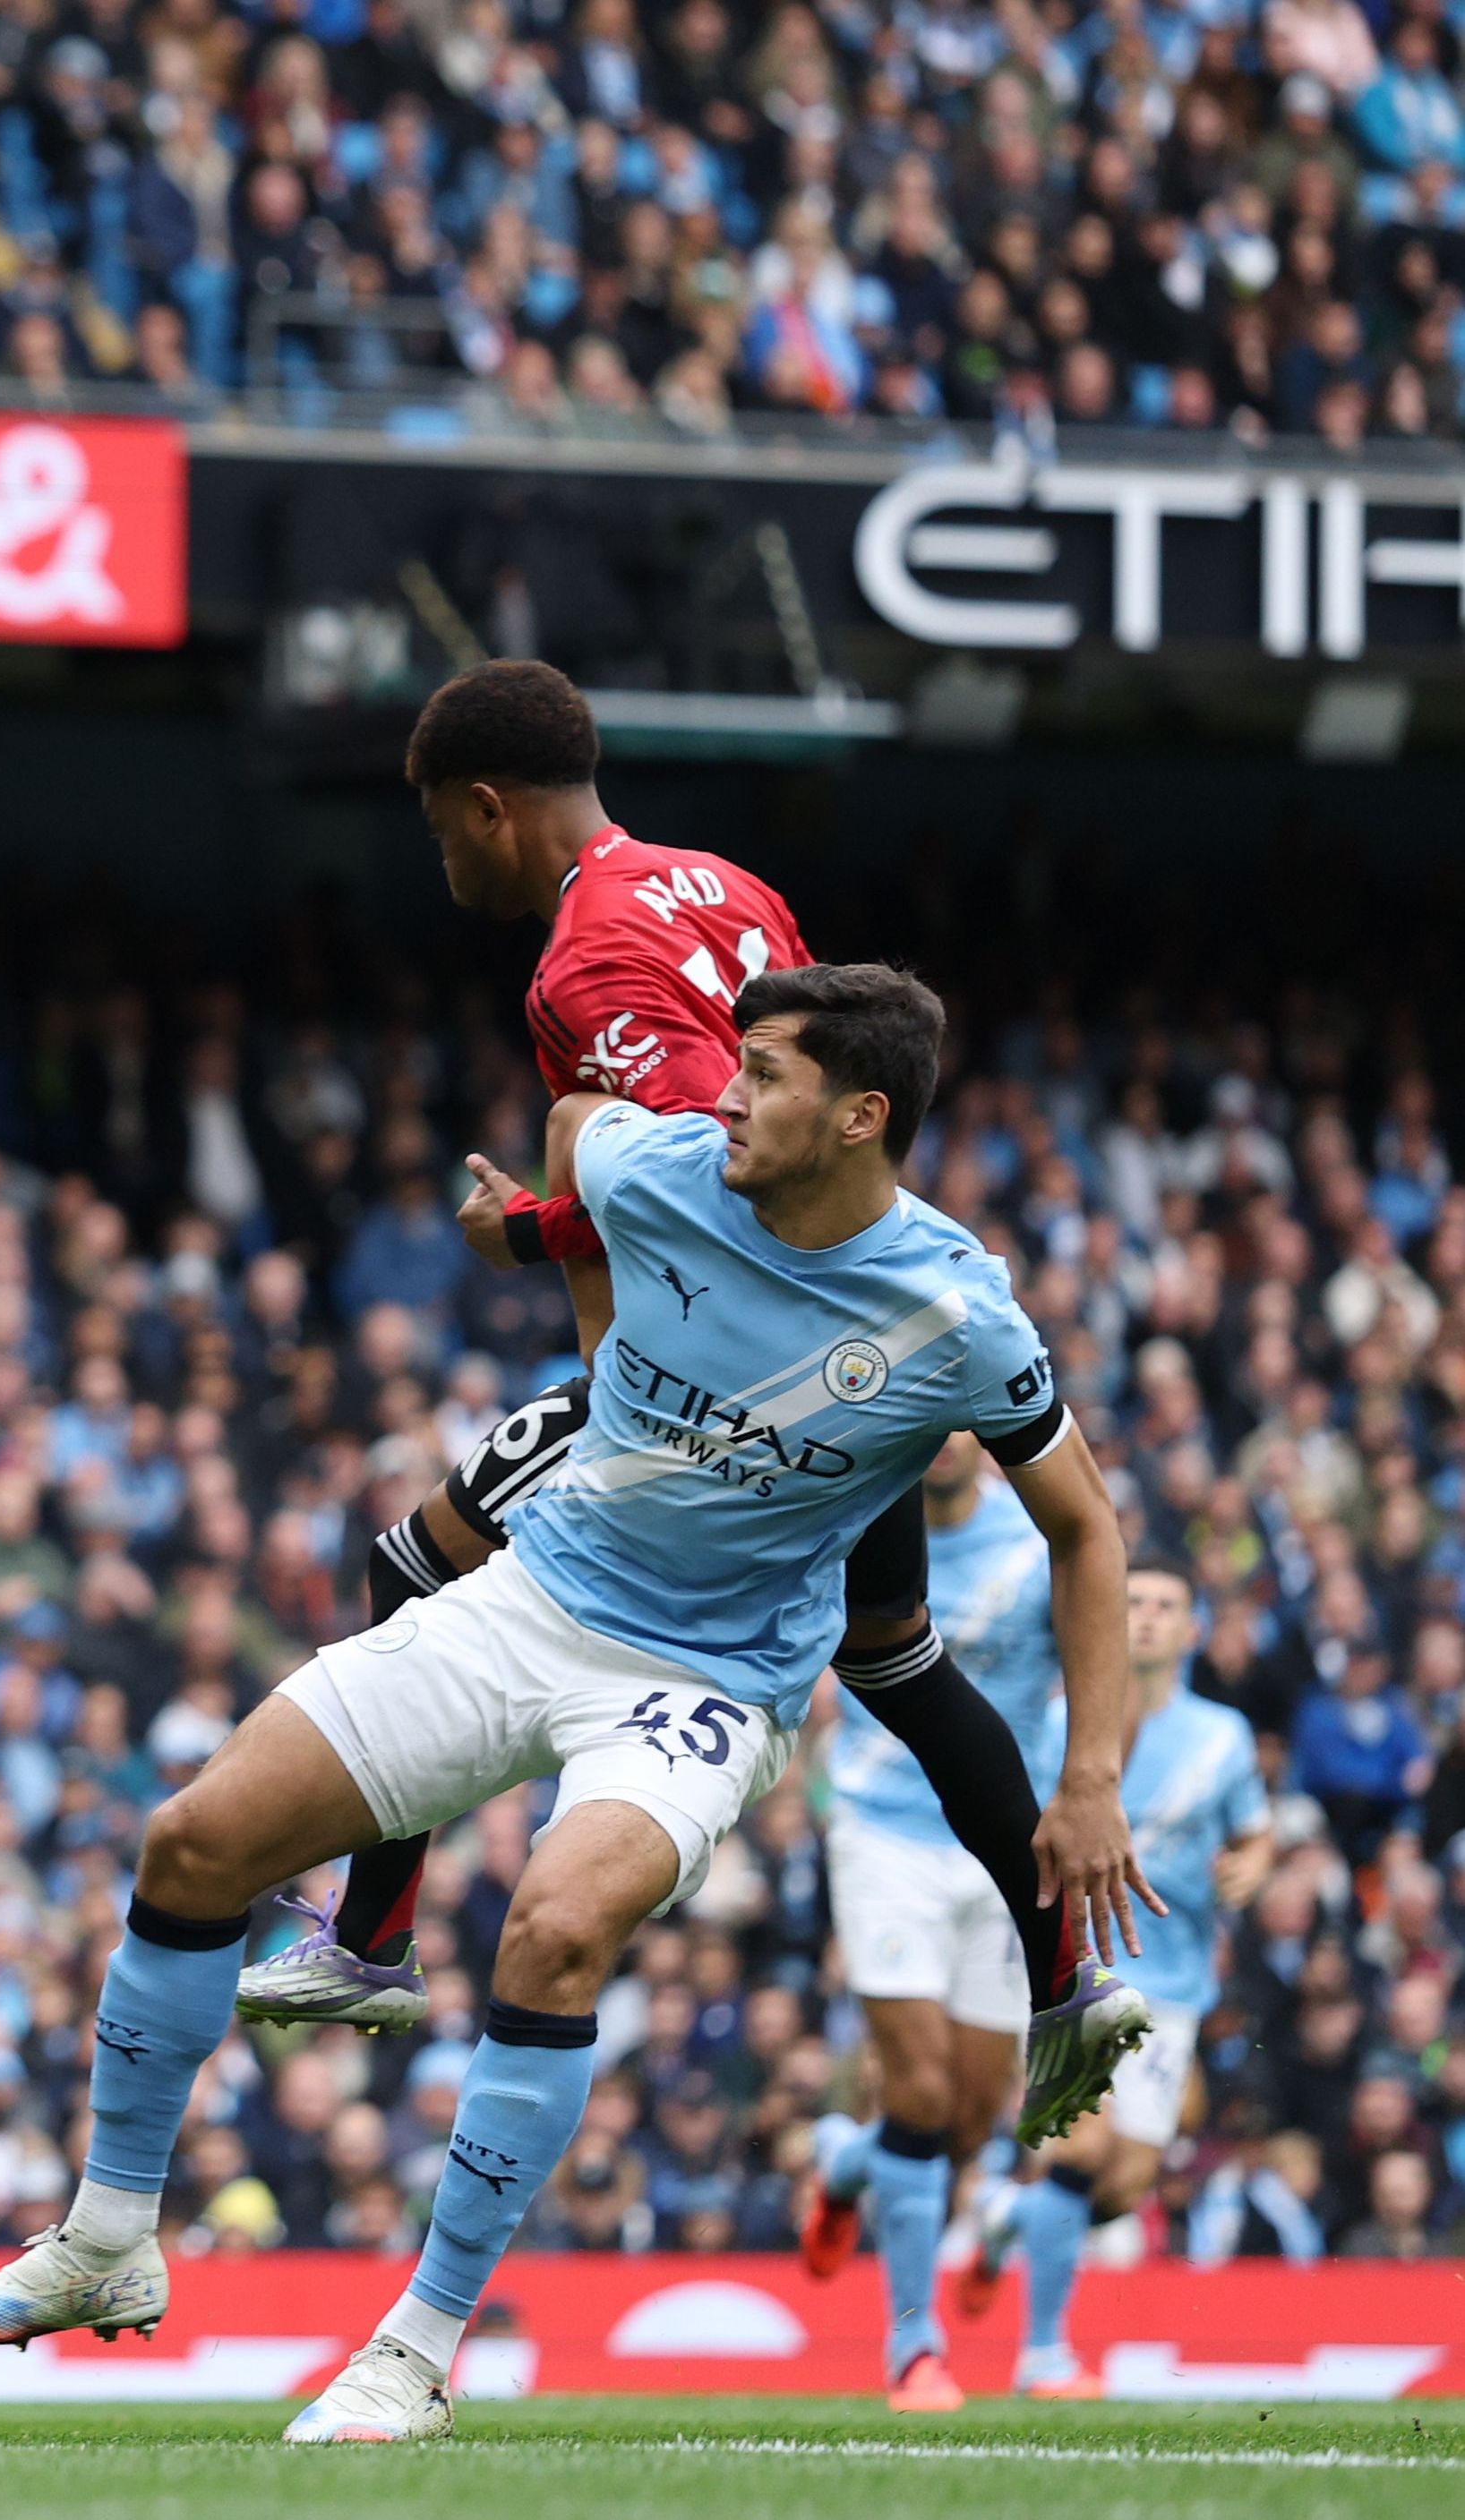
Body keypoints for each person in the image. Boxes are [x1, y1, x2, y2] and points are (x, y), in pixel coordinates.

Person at [0, 965, 1150, 2446]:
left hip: (704, 1684)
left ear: (858, 1116)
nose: (726, 1096)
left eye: (761, 1074)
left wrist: (1090, 1781)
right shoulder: (658, 1161)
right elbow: (574, 1122)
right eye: (730, 1064)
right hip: (530, 1602)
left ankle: (412, 2354)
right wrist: (527, 1233)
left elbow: (1084, 1530)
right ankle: (104, 2241)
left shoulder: (955, 1315)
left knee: (555, 1926)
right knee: (189, 1843)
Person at [243, 661, 1122, 2089]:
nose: (442, 856)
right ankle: (1066, 1979)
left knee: (412, 1561)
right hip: (859, 1346)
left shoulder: (581, 966)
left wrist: (522, 1231)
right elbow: (813, 1077)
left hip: (711, 1380)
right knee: (895, 1652)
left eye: (437, 828)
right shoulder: (717, 879)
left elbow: (711, 1172)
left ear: (486, 808)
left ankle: (374, 1941)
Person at [793, 1437, 1069, 2411]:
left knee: (964, 2124)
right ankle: (916, 2347)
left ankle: (844, 2160)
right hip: (883, 1830)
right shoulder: (859, 1510)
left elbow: (1078, 1684)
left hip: (999, 1840)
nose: (945, 1436)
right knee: (915, 2089)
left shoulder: (1040, 1540)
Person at [972, 1558, 1275, 2397]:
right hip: (1071, 1961)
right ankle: (1043, 2355)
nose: (1143, 1615)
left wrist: (1251, 1866)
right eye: (1131, 1600)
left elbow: (1253, 1831)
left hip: (1172, 1982)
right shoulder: (1059, 1719)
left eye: (1164, 1604)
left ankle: (1005, 2217)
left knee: (1126, 2178)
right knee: (1086, 2146)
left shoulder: (1222, 1736)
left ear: (1193, 1630)